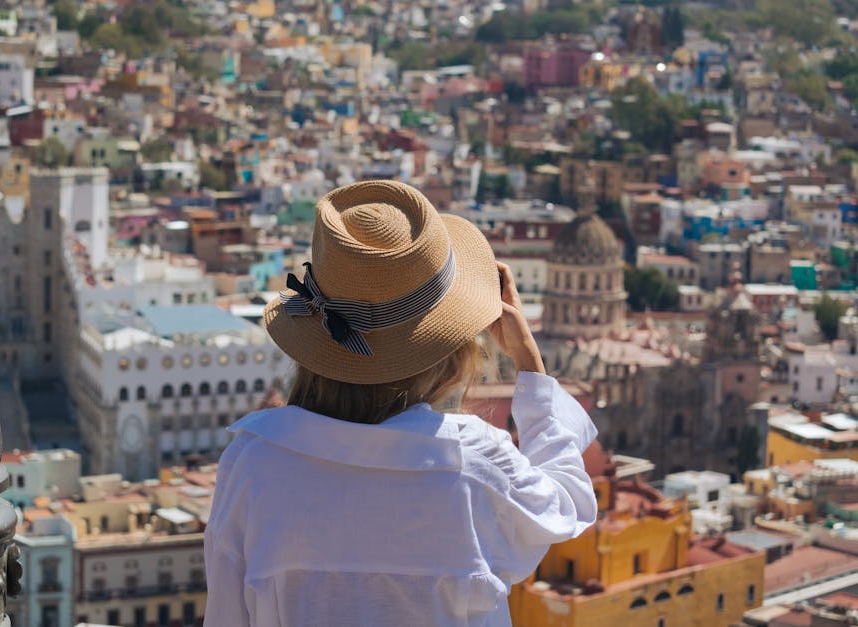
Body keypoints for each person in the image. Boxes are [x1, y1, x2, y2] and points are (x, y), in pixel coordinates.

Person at [204, 180, 597, 626]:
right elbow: (568, 505)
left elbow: (226, 617)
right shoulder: (474, 465)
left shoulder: (252, 465)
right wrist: (530, 365)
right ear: (447, 347)